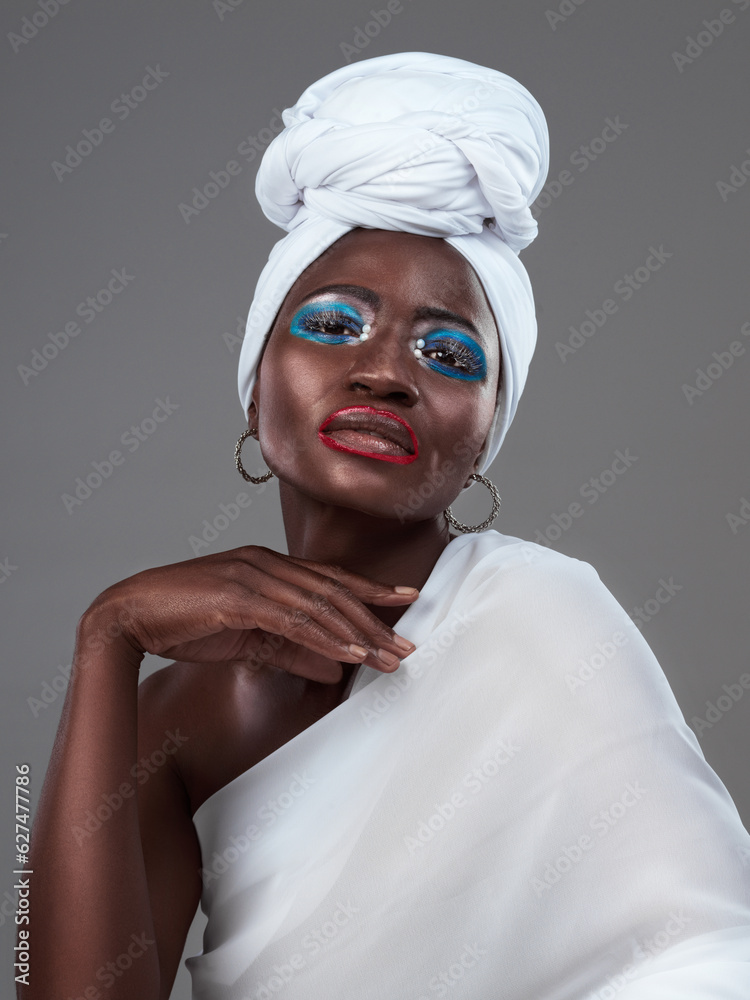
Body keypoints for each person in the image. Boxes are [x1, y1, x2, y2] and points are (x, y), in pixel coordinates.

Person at [26, 53, 750, 1000]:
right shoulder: (169, 722)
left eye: (447, 352)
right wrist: (105, 638)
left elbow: (698, 957)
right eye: (332, 326)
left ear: (488, 430)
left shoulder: (542, 617)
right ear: (255, 391)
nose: (385, 371)